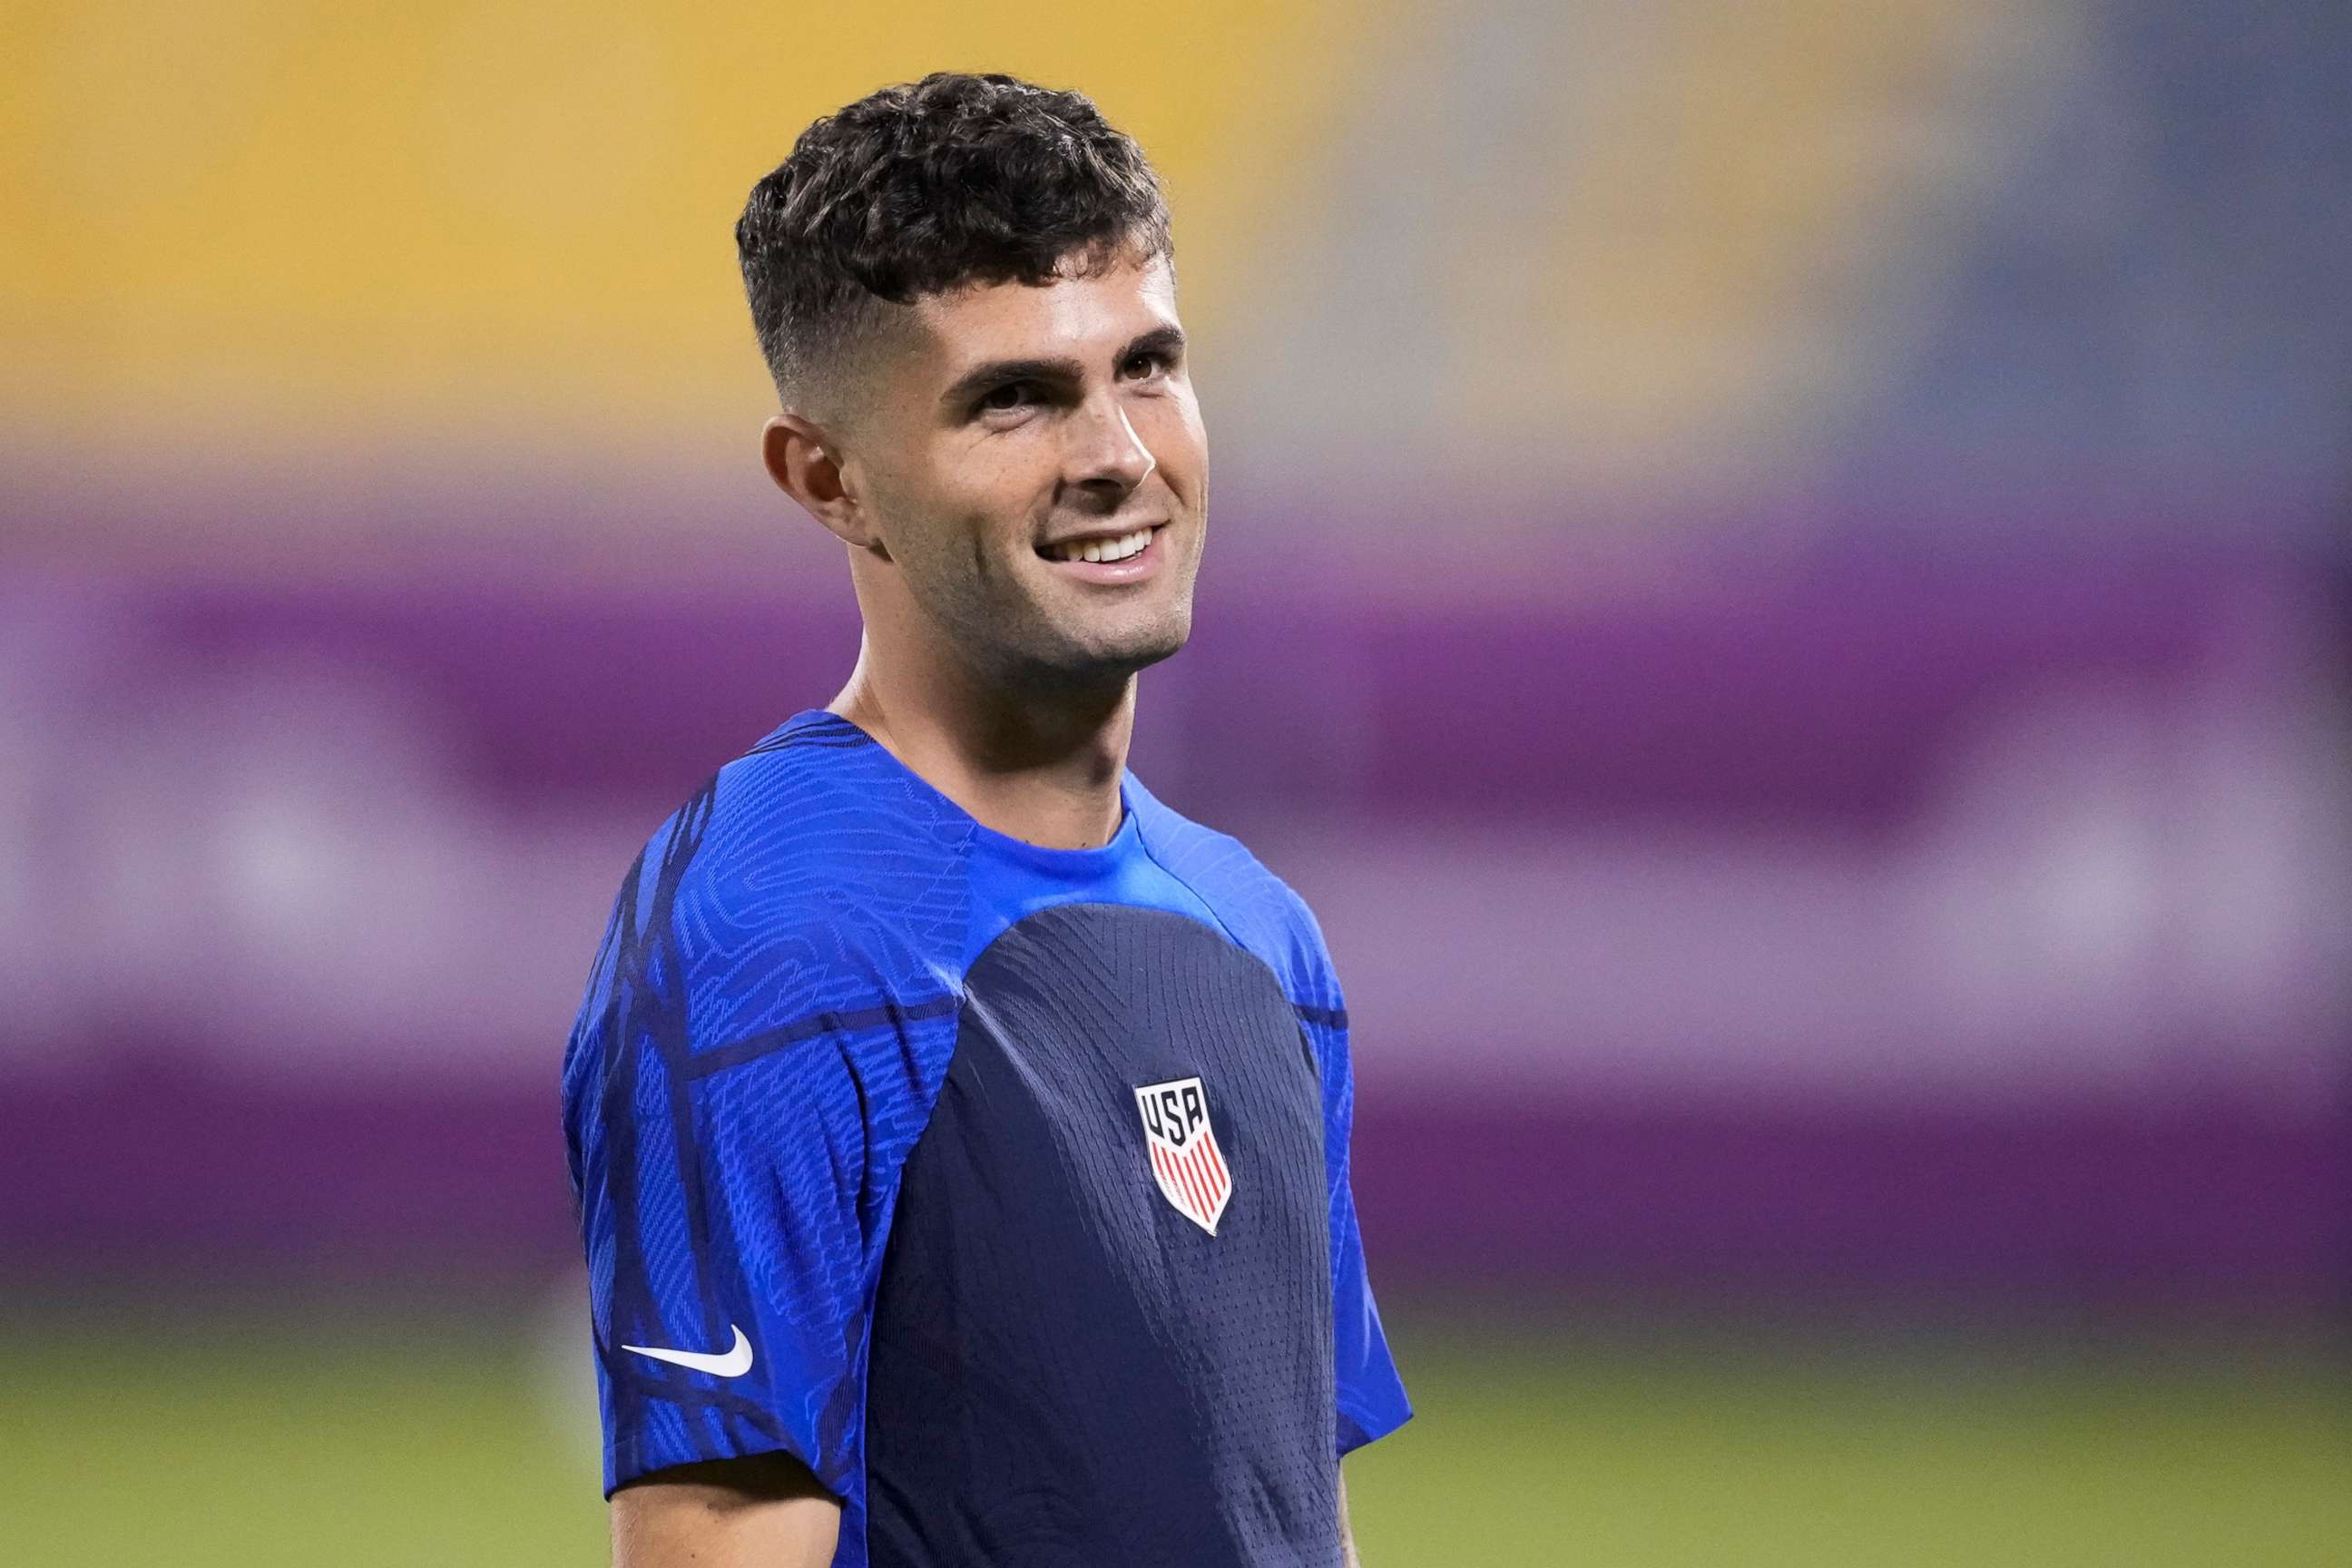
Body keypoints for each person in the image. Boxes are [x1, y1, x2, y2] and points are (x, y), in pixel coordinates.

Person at [562, 71, 1410, 1568]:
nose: (1117, 457)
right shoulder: (767, 939)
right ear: (830, 480)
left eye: (1146, 366)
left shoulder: (1263, 937)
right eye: (1013, 398)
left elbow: (1291, 1521)